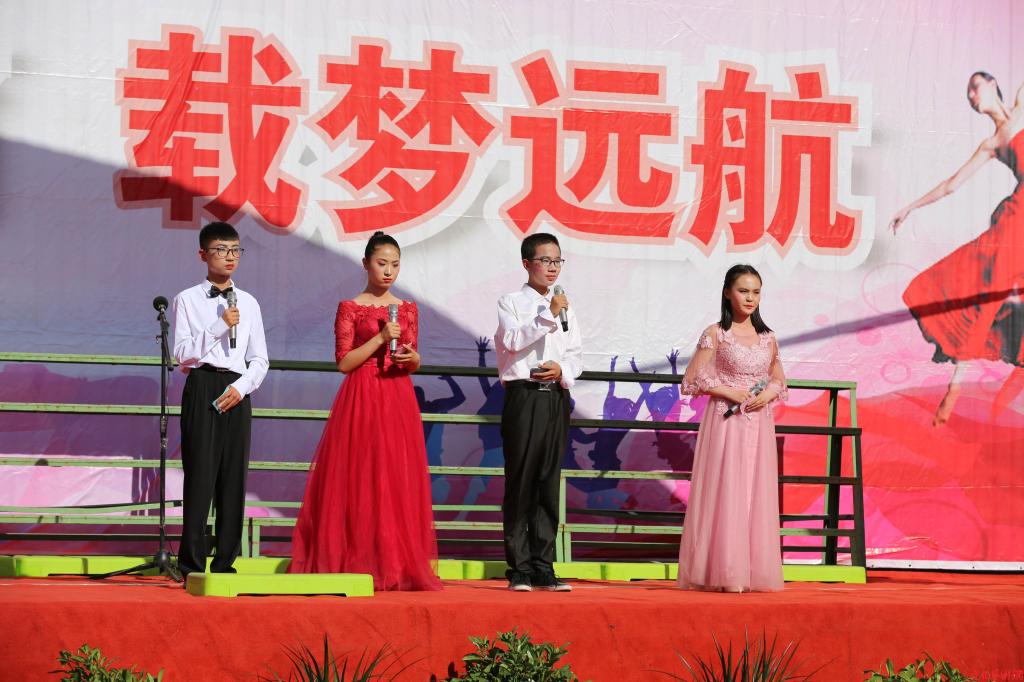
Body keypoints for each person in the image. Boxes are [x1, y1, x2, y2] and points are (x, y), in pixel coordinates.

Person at [288, 231, 441, 591]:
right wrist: (379, 338)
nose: (388, 271)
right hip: (361, 396)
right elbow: (344, 362)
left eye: (395, 265)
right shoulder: (350, 307)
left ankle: (393, 563)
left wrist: (412, 358)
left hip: (397, 396)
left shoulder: (408, 309)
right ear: (366, 264)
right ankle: (353, 560)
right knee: (357, 478)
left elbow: (413, 359)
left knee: (394, 478)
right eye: (382, 263)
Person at [892, 72, 1024, 425]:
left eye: (974, 87)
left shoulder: (1022, 105)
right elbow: (951, 185)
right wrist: (911, 207)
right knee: (985, 300)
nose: (971, 96)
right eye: (968, 93)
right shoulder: (992, 144)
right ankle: (954, 390)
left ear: (993, 84)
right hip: (1017, 226)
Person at [677, 264, 785, 593]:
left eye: (756, 292)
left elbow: (778, 378)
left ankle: (751, 571)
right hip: (726, 419)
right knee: (727, 490)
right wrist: (728, 391)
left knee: (754, 491)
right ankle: (724, 571)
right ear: (727, 293)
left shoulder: (768, 337)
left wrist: (768, 393)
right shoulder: (716, 333)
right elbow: (691, 379)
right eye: (743, 291)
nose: (750, 298)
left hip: (758, 422)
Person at [172, 221, 269, 580]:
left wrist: (242, 388)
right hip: (202, 383)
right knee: (200, 475)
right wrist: (219, 326)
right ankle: (191, 565)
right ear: (203, 254)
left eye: (235, 250)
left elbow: (260, 359)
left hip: (237, 388)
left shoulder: (250, 303)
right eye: (221, 250)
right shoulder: (187, 299)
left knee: (233, 477)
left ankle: (226, 562)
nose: (230, 257)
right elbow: (181, 354)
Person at [495, 232, 583, 592]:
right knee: (521, 481)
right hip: (524, 397)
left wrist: (563, 369)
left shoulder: (566, 306)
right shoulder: (511, 302)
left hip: (555, 398)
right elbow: (513, 341)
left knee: (548, 482)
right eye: (545, 260)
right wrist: (549, 314)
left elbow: (575, 353)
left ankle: (544, 566)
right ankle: (519, 568)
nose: (552, 267)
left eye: (557, 260)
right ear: (527, 263)